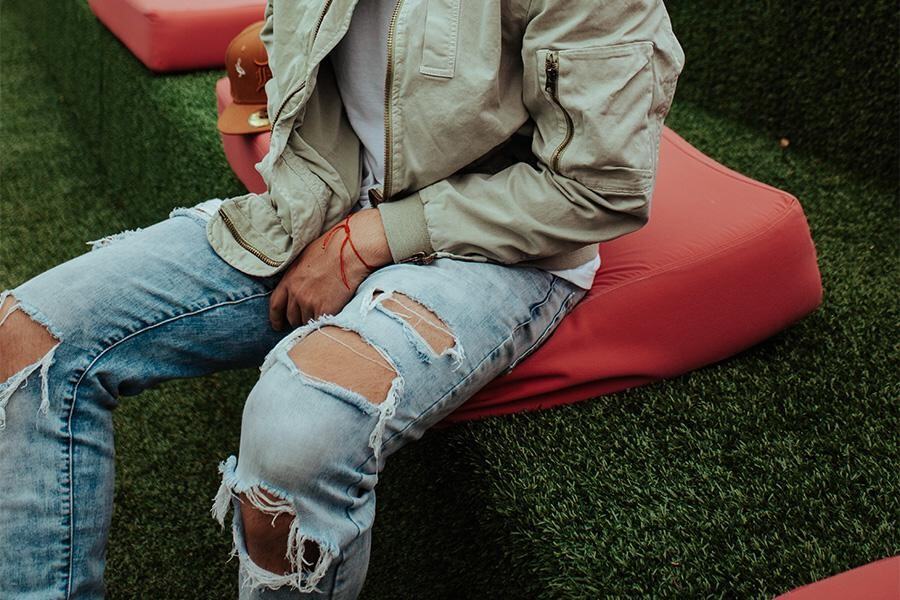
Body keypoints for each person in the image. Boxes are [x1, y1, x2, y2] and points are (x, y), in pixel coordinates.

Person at [0, 0, 683, 597]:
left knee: (296, 437)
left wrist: (372, 238)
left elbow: (600, 186)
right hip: (324, 200)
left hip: (498, 246)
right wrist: (317, 195)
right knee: (28, 337)